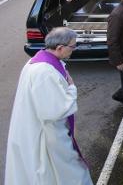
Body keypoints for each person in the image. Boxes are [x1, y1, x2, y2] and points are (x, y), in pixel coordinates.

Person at [5, 27, 92, 185]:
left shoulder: (36, 62)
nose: (74, 49)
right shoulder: (45, 72)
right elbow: (55, 111)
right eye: (72, 46)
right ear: (60, 48)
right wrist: (72, 89)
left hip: (35, 126)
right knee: (71, 174)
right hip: (46, 134)